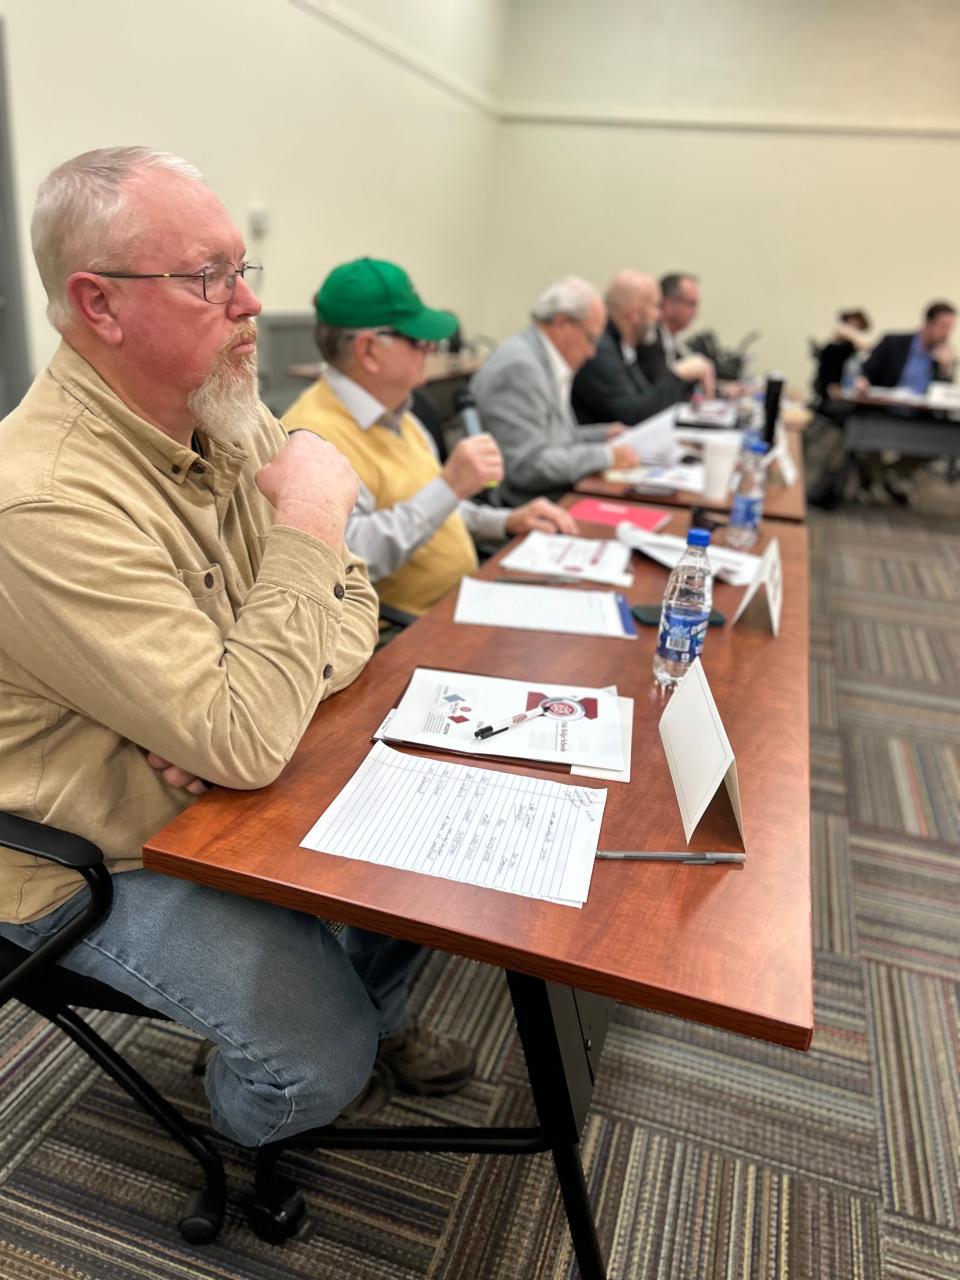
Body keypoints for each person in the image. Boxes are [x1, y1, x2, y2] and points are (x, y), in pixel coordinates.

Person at [0, 147, 474, 1152]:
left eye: (241, 270)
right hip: (98, 848)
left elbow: (345, 603)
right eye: (208, 276)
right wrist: (306, 522)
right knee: (322, 1059)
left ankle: (355, 1002)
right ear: (101, 304)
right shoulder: (40, 497)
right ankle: (238, 1116)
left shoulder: (227, 405)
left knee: (435, 864)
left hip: (217, 782)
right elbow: (247, 726)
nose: (249, 305)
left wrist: (254, 688)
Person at [283, 258, 577, 619]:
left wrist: (503, 521)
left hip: (461, 602)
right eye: (419, 339)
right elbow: (350, 558)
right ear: (368, 350)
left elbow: (432, 508)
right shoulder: (314, 437)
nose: (432, 348)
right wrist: (451, 485)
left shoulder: (400, 412)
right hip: (402, 629)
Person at [470, 277, 641, 505]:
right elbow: (526, 466)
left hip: (553, 498)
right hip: (525, 507)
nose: (591, 353)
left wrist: (602, 435)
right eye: (590, 339)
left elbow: (552, 440)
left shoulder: (542, 357)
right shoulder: (520, 367)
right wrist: (605, 456)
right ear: (561, 324)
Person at [571, 270, 715, 426]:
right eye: (655, 307)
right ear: (634, 314)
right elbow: (634, 416)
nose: (659, 315)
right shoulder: (601, 350)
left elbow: (644, 398)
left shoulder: (621, 344)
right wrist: (679, 374)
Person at [859, 301, 956, 392]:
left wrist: (944, 370)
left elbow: (943, 397)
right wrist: (863, 381)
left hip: (919, 409)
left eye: (950, 328)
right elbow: (866, 370)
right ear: (928, 323)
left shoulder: (942, 356)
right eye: (943, 326)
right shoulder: (894, 343)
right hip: (884, 406)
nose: (947, 333)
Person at [634, 272, 704, 383]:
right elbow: (662, 386)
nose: (696, 312)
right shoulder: (649, 340)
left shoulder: (669, 340)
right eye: (691, 304)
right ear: (668, 304)